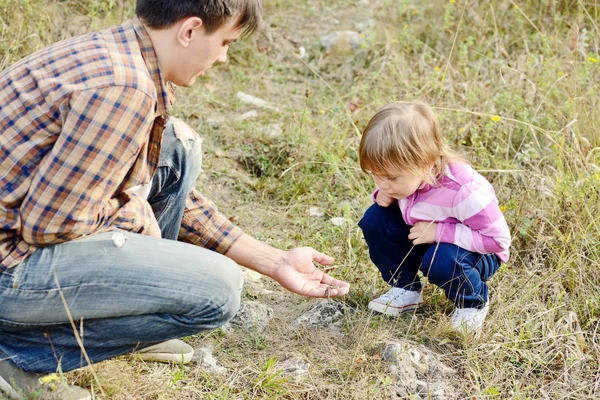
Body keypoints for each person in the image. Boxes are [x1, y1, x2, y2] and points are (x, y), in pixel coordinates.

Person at [0, 0, 349, 398]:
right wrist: (134, 214)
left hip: (15, 233)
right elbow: (49, 224)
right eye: (224, 42)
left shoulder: (119, 52)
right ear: (189, 31)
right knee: (217, 291)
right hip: (9, 269)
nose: (223, 58)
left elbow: (139, 177)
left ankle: (129, 311)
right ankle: (17, 354)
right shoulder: (123, 89)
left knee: (177, 148)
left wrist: (275, 261)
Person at [357, 101, 510, 335]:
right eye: (376, 176)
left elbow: (498, 241)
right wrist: (384, 195)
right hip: (426, 237)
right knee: (375, 219)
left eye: (391, 178)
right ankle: (406, 288)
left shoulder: (463, 191)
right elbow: (405, 200)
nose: (382, 183)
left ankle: (472, 302)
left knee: (441, 258)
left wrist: (439, 233)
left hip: (477, 253)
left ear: (426, 164)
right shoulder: (407, 179)